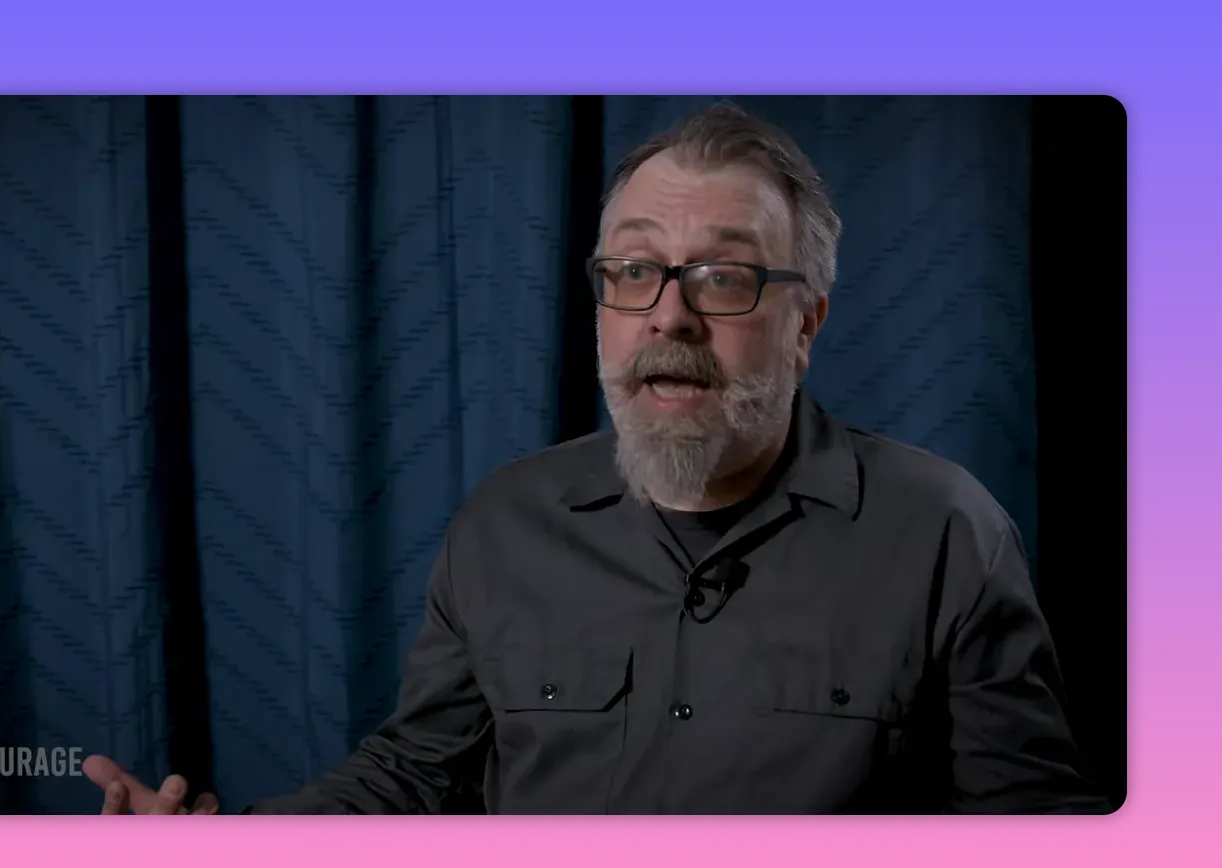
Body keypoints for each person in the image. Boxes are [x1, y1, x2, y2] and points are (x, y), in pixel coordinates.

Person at [83, 102, 1110, 815]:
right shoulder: (505, 523)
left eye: (722, 278)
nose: (669, 315)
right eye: (633, 270)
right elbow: (415, 777)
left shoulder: (945, 533)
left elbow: (1035, 839)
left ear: (806, 324)